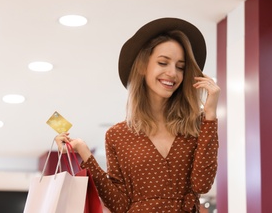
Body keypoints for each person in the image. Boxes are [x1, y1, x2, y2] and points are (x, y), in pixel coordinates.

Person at [55, 17, 220, 213]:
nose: (172, 73)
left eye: (180, 67)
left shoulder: (197, 124)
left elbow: (202, 185)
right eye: (163, 62)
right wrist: (83, 151)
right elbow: (120, 204)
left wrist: (210, 114)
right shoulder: (118, 135)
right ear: (142, 66)